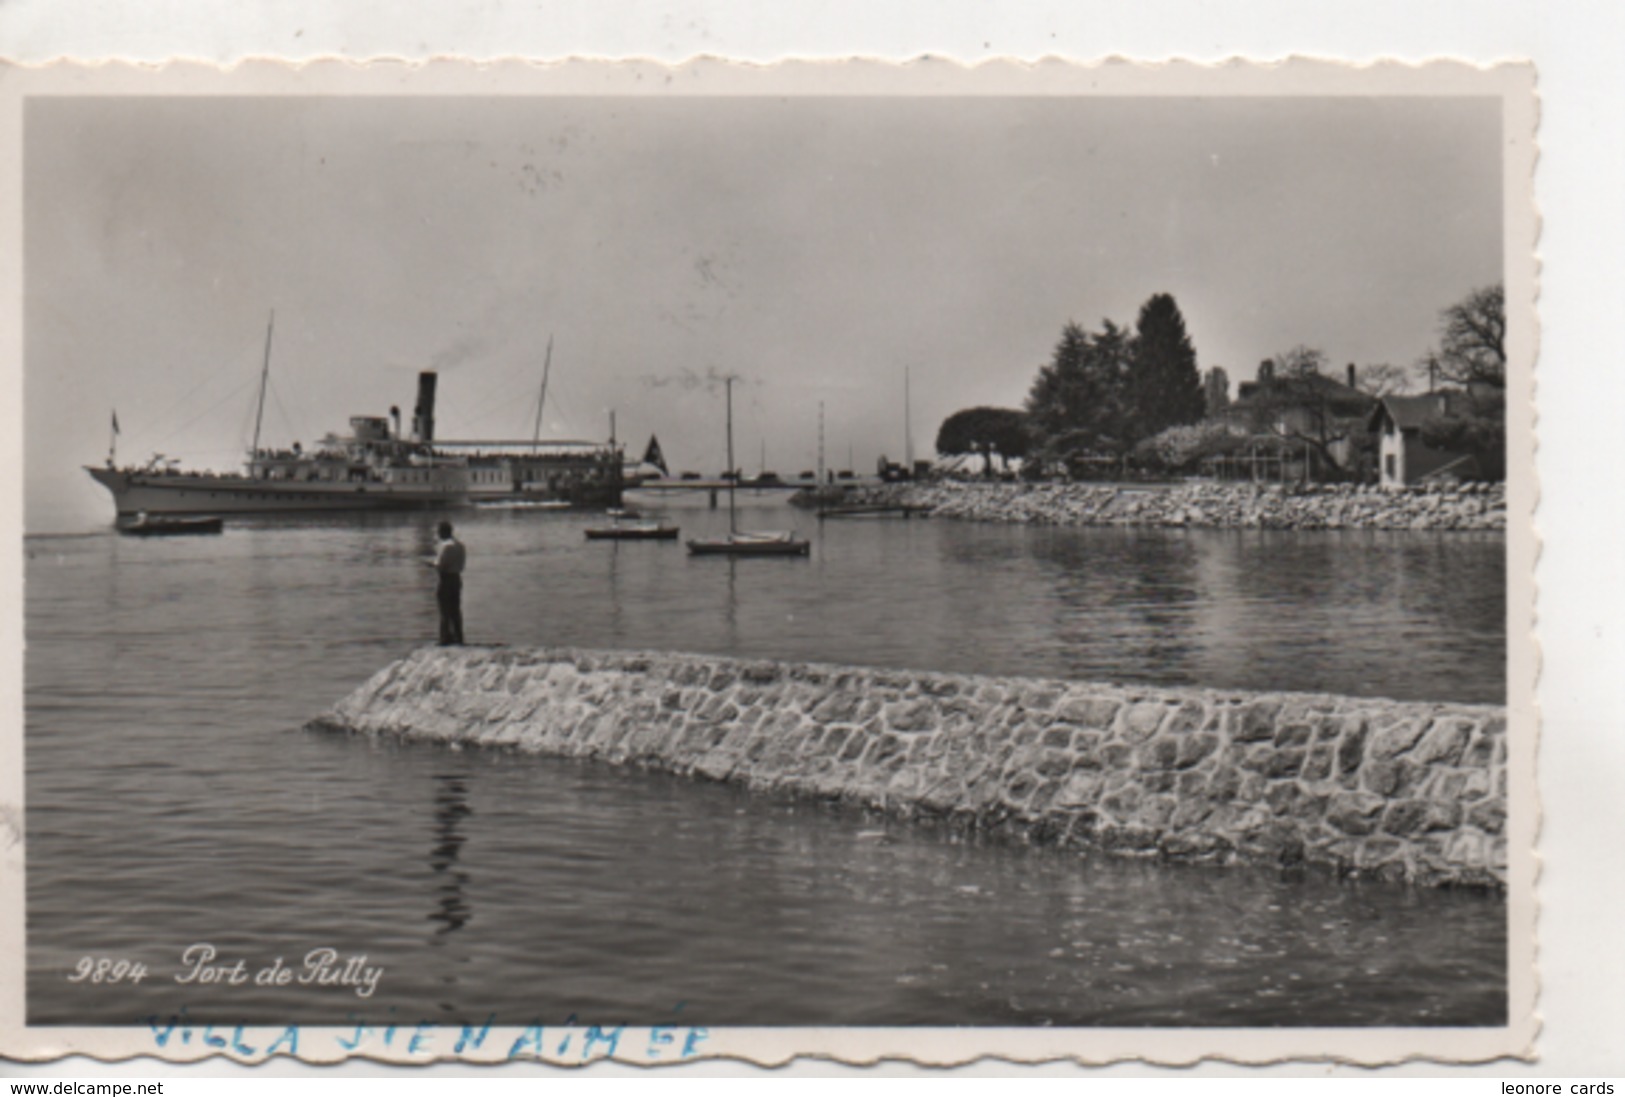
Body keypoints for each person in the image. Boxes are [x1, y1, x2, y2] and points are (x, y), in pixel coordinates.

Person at [426, 520, 466, 646]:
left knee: (444, 610)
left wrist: (430, 563)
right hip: (457, 578)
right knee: (456, 610)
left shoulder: (445, 546)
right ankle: (459, 637)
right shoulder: (460, 545)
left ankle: (445, 638)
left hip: (446, 579)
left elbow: (441, 565)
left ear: (442, 532)